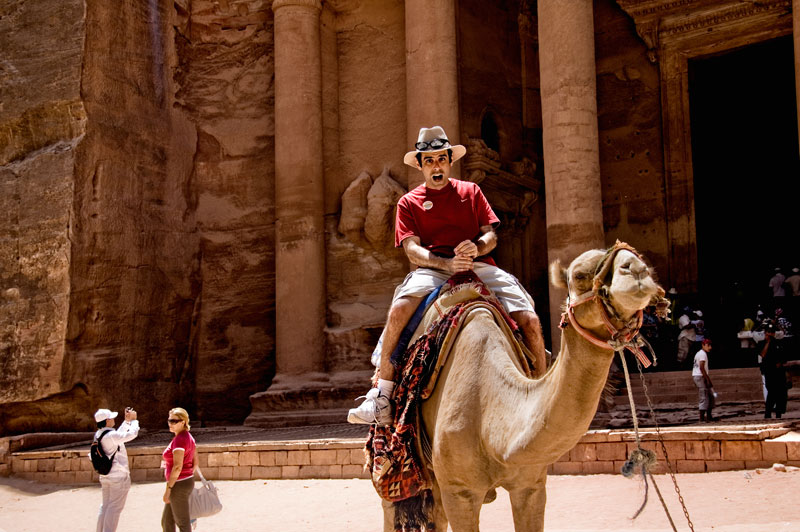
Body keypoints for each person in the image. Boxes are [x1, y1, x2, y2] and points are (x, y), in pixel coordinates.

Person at [347, 126, 547, 425]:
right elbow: (412, 250)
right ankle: (382, 393)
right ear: (421, 165)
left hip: (479, 265)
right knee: (400, 309)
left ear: (449, 161)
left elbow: (490, 236)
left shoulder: (471, 191)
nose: (436, 166)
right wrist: (445, 264)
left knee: (529, 319)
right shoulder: (409, 202)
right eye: (429, 160)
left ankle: (542, 389)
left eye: (441, 159)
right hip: (433, 268)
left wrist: (477, 248)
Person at [93, 407, 140, 532]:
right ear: (108, 420)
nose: (113, 419)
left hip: (106, 476)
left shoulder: (99, 435)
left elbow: (117, 437)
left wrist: (127, 422)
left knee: (106, 507)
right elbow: (131, 434)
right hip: (118, 476)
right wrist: (134, 421)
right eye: (112, 418)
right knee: (114, 508)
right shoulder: (111, 435)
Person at [162, 407, 197, 532]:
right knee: (167, 521)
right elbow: (195, 460)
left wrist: (169, 489)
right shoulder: (186, 437)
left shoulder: (180, 440)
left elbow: (177, 467)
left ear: (183, 422)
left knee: (182, 523)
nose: (170, 424)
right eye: (169, 421)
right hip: (183, 481)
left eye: (174, 421)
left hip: (178, 484)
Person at [759, 322, 788, 419]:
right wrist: (767, 342)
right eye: (768, 332)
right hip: (769, 371)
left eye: (772, 332)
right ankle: (768, 413)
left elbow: (784, 357)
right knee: (771, 392)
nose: (770, 334)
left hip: (779, 371)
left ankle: (778, 413)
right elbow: (762, 354)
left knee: (781, 393)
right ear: (765, 333)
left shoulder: (779, 343)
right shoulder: (762, 343)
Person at [692, 339, 715, 422]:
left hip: (700, 376)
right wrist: (707, 379)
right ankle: (702, 417)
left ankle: (709, 416)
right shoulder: (702, 354)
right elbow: (701, 367)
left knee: (710, 395)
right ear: (703, 345)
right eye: (708, 345)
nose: (710, 347)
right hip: (700, 376)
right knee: (704, 396)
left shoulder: (700, 353)